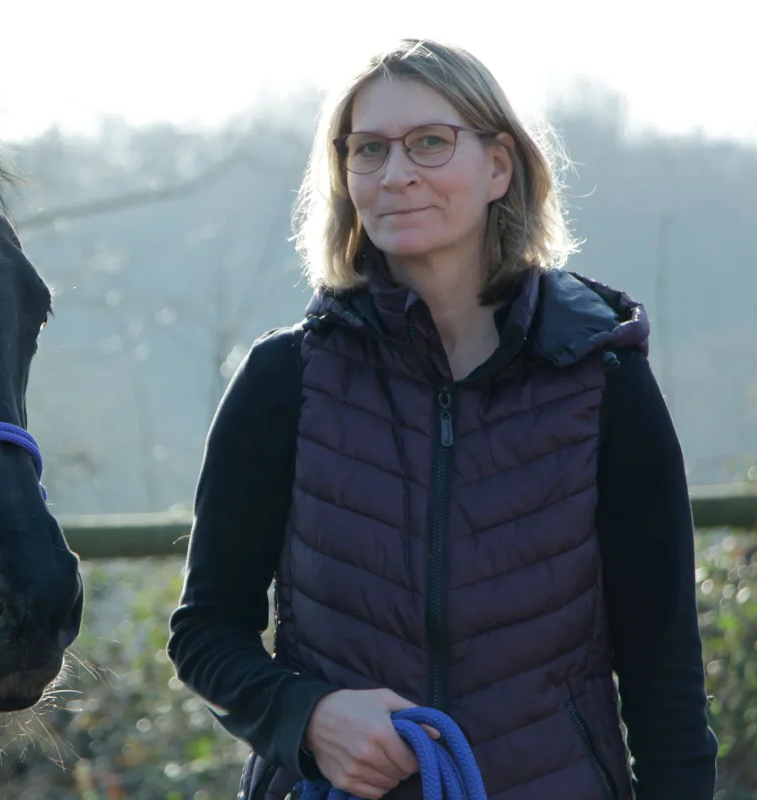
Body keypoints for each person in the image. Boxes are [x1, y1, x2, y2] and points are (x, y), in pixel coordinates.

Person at [166, 38, 718, 800]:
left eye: (430, 143)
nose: (396, 175)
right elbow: (206, 633)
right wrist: (308, 714)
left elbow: (665, 675)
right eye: (368, 150)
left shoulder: (605, 379)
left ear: (499, 166)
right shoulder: (284, 380)